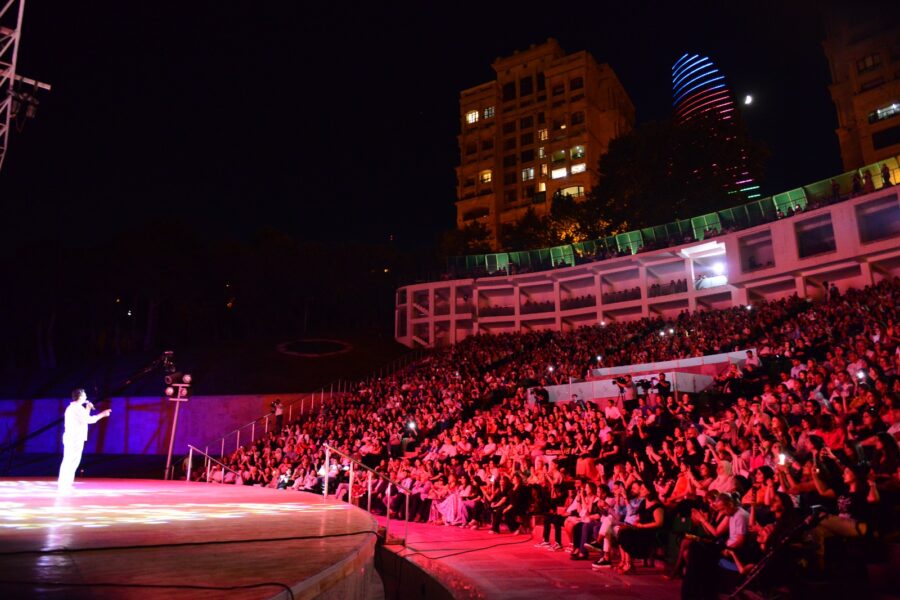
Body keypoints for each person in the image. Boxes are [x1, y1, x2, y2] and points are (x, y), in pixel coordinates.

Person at [58, 388, 111, 492]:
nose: (86, 397)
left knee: (69, 460)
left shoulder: (74, 408)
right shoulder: (77, 408)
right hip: (75, 438)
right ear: (80, 396)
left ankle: (64, 483)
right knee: (72, 461)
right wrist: (103, 414)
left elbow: (83, 419)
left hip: (71, 437)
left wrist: (88, 408)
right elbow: (90, 420)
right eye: (85, 395)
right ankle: (65, 484)